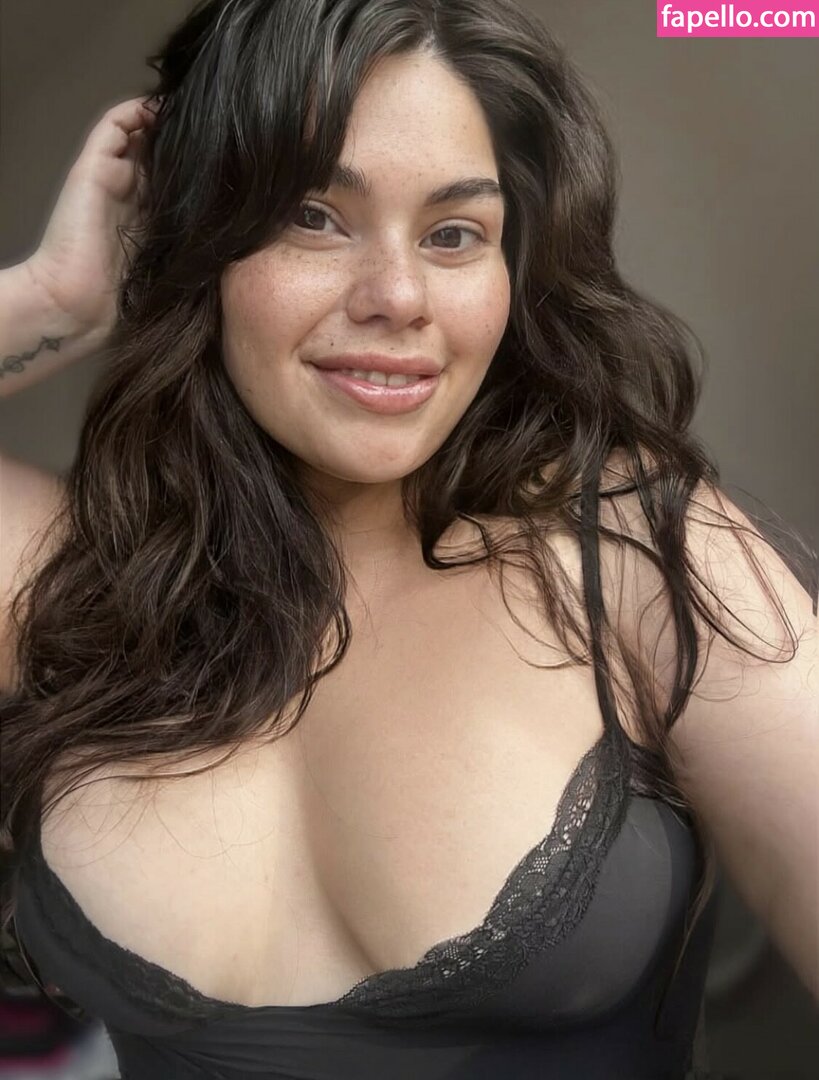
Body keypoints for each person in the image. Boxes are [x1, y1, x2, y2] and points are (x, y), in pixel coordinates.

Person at [0, 1, 815, 1077]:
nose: (396, 296)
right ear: (201, 241)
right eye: (313, 217)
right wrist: (48, 298)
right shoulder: (63, 573)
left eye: (453, 234)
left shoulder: (644, 559)